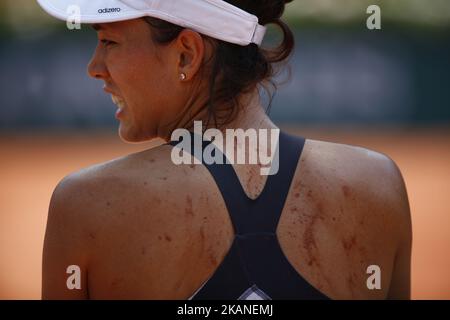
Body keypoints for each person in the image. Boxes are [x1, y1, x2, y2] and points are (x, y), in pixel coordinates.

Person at [38, 0, 412, 300]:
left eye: (108, 42)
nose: (93, 67)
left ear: (186, 54)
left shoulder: (86, 205)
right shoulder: (378, 185)